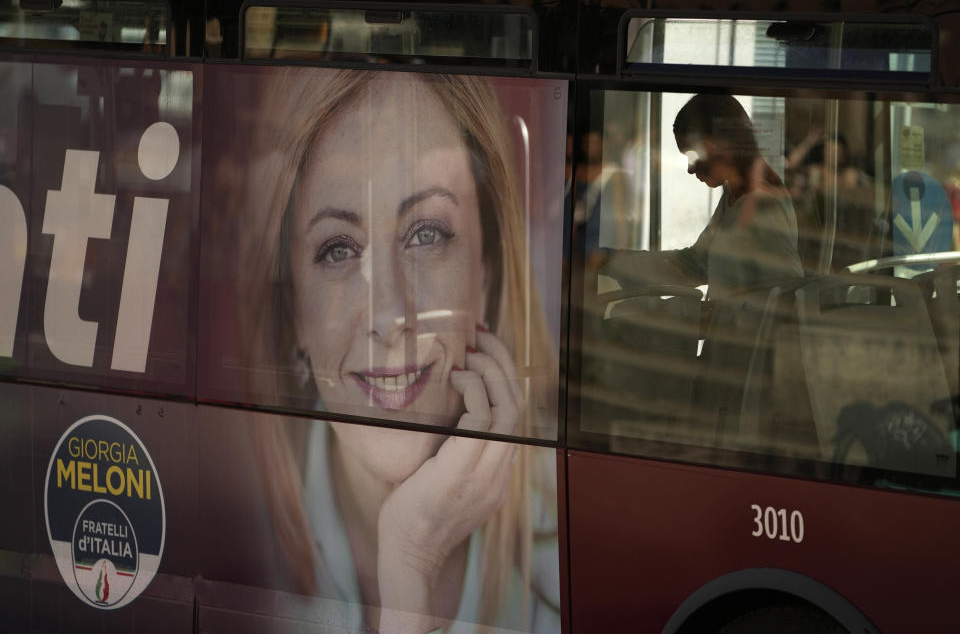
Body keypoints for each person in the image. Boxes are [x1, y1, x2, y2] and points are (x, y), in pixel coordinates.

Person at [233, 69, 559, 633]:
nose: (389, 316)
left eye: (426, 234)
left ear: (485, 273)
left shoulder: (567, 546)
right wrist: (412, 565)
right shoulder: (230, 528)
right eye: (337, 249)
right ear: (294, 313)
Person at [599, 94, 803, 299]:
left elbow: (787, 292)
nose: (690, 168)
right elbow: (694, 264)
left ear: (717, 146)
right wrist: (612, 261)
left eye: (692, 155)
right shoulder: (733, 197)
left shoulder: (762, 202)